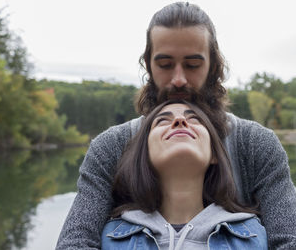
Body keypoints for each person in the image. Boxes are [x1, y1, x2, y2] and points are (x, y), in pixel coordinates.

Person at [56, 2, 296, 249]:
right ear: (148, 64)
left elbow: (292, 243)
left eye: (192, 65)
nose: (178, 80)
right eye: (165, 65)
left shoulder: (256, 144)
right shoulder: (109, 147)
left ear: (213, 66)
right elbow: (75, 242)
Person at [101, 100, 267, 249]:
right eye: (162, 120)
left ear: (214, 155)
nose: (179, 121)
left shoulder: (253, 234)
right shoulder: (110, 237)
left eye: (194, 119)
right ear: (144, 155)